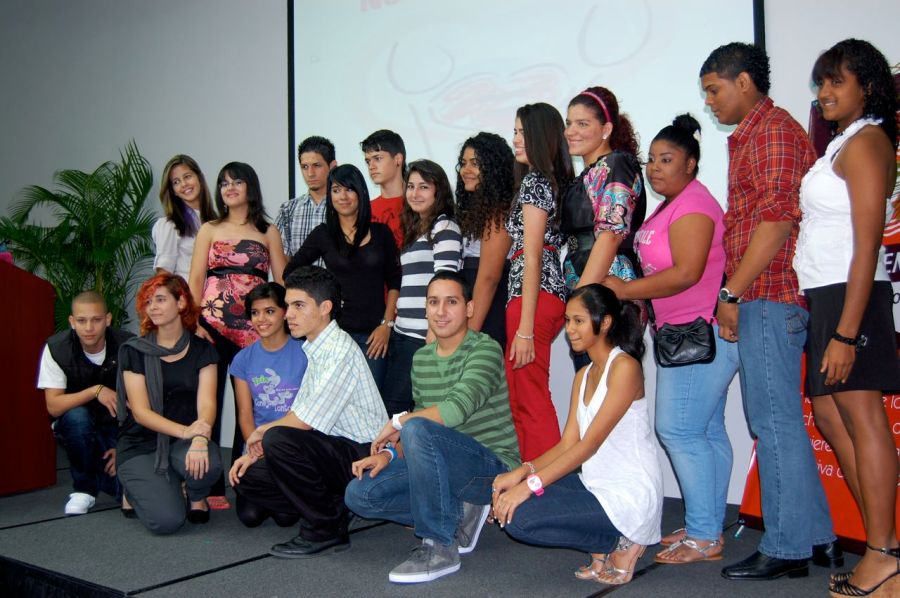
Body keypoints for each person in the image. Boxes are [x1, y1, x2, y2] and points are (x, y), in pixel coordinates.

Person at [699, 42, 840, 581]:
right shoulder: (757, 133)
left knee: (772, 422)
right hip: (766, 295)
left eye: (714, 89)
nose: (710, 101)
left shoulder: (773, 131)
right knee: (780, 422)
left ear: (744, 82)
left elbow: (778, 221)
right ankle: (820, 538)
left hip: (770, 294)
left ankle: (786, 547)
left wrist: (731, 293)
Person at [602, 114, 739, 564]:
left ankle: (703, 535)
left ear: (691, 163)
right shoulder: (670, 205)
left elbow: (687, 273)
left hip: (700, 332)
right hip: (683, 333)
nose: (655, 168)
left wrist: (624, 290)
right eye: (652, 160)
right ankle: (708, 523)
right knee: (706, 430)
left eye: (667, 160)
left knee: (678, 429)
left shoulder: (694, 204)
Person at [793, 39, 900, 597]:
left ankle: (883, 556)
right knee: (833, 418)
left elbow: (867, 244)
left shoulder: (867, 142)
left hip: (850, 298)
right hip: (827, 296)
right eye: (821, 83)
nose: (825, 92)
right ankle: (887, 549)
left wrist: (845, 332)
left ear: (868, 86)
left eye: (837, 81)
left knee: (863, 419)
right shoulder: (845, 140)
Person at [345, 271, 520, 584]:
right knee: (360, 494)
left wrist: (398, 421)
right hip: (443, 466)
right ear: (425, 309)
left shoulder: (485, 349)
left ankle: (439, 545)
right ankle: (459, 511)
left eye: (451, 302)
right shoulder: (422, 358)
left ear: (469, 308)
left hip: (491, 470)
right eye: (433, 302)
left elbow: (454, 410)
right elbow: (422, 425)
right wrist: (389, 455)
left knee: (415, 426)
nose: (441, 311)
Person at [494, 284, 662, 587]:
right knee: (513, 505)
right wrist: (521, 473)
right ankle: (606, 541)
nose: (569, 329)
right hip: (594, 485)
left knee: (521, 517)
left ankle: (621, 539)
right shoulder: (583, 375)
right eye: (568, 320)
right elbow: (567, 444)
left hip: (628, 495)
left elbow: (588, 445)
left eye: (579, 321)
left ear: (605, 322)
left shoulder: (625, 367)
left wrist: (530, 485)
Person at [229, 266, 387, 558]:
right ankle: (335, 507)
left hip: (363, 453)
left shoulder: (339, 351)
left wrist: (259, 435)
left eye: (298, 306)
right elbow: (301, 413)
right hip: (335, 448)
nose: (288, 314)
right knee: (249, 477)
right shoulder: (315, 348)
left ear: (325, 308)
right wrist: (254, 454)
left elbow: (302, 421)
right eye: (288, 306)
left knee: (278, 439)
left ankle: (325, 530)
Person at [189, 161, 287, 505]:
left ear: (250, 187)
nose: (229, 188)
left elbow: (281, 282)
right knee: (210, 405)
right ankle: (211, 486)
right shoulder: (209, 229)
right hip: (211, 327)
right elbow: (195, 278)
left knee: (248, 407)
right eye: (224, 183)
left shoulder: (268, 231)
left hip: (253, 332)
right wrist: (193, 322)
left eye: (237, 182)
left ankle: (243, 478)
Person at [116, 273, 221, 535]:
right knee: (168, 521)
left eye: (160, 299)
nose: (152, 307)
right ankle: (134, 487)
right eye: (148, 301)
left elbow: (207, 403)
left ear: (181, 302)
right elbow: (140, 413)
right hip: (141, 442)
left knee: (210, 463)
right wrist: (187, 431)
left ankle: (196, 495)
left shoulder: (203, 349)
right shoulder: (134, 351)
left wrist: (199, 437)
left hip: (184, 440)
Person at [284, 164, 401, 391]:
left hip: (374, 337)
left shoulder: (381, 233)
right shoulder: (323, 234)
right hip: (335, 336)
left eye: (349, 189)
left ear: (361, 192)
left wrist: (386, 324)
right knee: (332, 402)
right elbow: (290, 273)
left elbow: (394, 281)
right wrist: (321, 291)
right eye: (336, 190)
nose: (342, 196)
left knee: (370, 403)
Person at [506, 102, 574, 461]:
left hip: (532, 297)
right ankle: (531, 477)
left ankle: (547, 481)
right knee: (522, 397)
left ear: (541, 136)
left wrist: (526, 329)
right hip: (535, 296)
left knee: (530, 397)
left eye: (523, 132)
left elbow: (531, 255)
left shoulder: (535, 182)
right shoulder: (544, 181)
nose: (516, 139)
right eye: (515, 132)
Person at [36, 291, 133, 515]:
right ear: (72, 322)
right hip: (76, 425)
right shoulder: (56, 348)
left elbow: (141, 404)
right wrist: (95, 391)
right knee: (77, 417)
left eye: (96, 320)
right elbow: (53, 406)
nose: (89, 327)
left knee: (128, 491)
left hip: (117, 426)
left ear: (108, 319)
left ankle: (100, 471)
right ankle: (84, 488)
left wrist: (124, 448)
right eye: (81, 320)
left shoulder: (128, 346)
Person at [381, 159, 462, 415]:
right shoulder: (417, 229)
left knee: (396, 410)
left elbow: (446, 283)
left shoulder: (444, 226)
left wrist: (433, 331)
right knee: (397, 410)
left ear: (439, 191)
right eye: (411, 186)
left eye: (424, 187)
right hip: (403, 333)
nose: (415, 193)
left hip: (421, 337)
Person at [228, 282, 307, 527]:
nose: (261, 319)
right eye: (255, 312)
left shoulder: (306, 353)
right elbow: (244, 413)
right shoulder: (243, 359)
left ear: (284, 312)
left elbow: (308, 412)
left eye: (269, 311)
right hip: (257, 446)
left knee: (286, 518)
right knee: (249, 517)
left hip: (293, 445)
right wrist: (254, 447)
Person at [455, 132, 515, 349]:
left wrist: (468, 336)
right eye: (463, 163)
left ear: (493, 169)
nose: (466, 170)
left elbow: (489, 277)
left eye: (475, 164)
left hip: (489, 310)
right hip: (473, 302)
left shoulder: (499, 212)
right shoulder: (478, 211)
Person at [152, 154, 217, 279]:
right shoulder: (170, 225)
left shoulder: (216, 221)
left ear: (199, 178)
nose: (183, 184)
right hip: (186, 291)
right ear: (173, 191)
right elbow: (163, 277)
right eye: (176, 182)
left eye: (187, 176)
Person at [275, 136, 337, 261]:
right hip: (297, 275)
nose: (310, 173)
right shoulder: (288, 210)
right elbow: (281, 261)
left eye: (317, 165)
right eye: (304, 167)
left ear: (332, 166)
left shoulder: (345, 206)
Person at [361, 129, 407, 248]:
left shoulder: (419, 204)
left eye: (377, 158)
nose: (371, 166)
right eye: (368, 161)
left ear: (398, 159)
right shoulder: (366, 210)